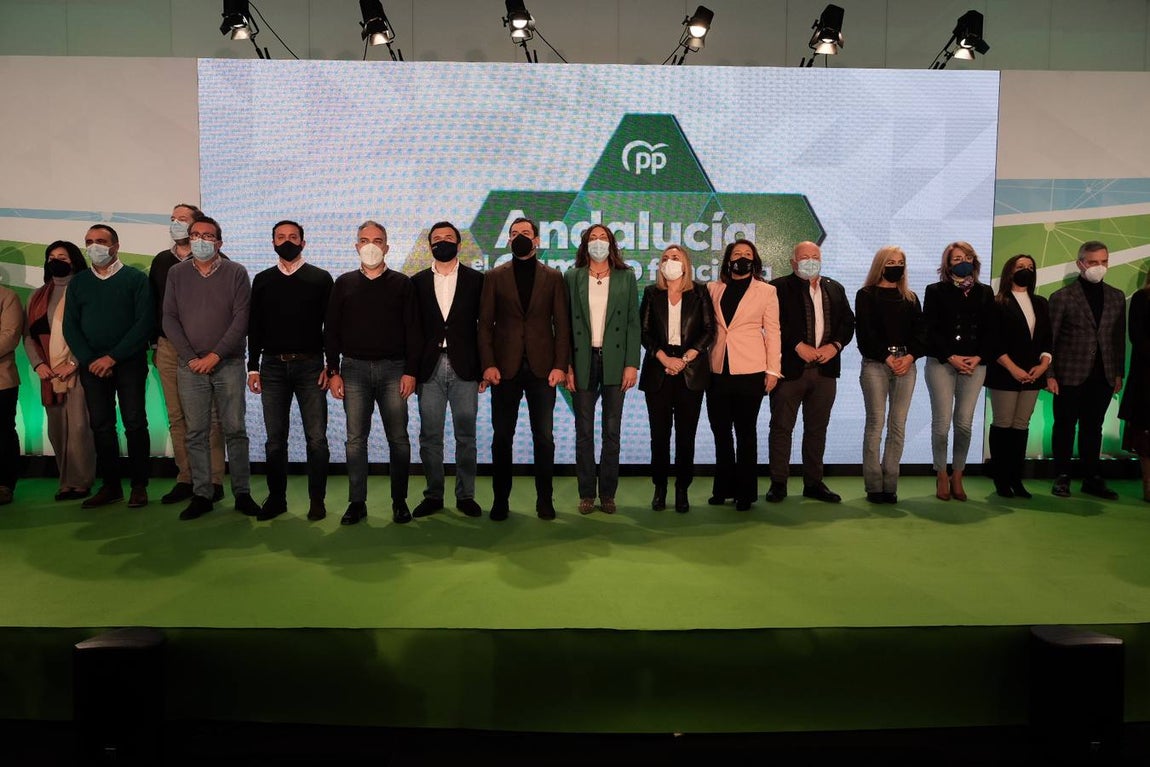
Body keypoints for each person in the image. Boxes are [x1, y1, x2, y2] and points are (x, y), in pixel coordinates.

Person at [163, 216, 261, 520]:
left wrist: (214, 356)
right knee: (196, 432)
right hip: (189, 365)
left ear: (219, 242)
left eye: (208, 236)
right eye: (195, 235)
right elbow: (169, 318)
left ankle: (242, 493)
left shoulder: (236, 272)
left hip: (228, 363)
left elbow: (241, 318)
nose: (201, 240)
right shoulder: (176, 273)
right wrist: (191, 357)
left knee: (235, 430)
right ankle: (202, 493)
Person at [326, 220, 422, 526]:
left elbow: (413, 331)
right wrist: (333, 371)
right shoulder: (343, 283)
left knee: (399, 439)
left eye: (377, 240)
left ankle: (400, 502)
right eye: (365, 240)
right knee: (355, 440)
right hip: (352, 369)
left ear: (387, 247)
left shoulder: (402, 284)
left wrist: (411, 371)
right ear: (356, 247)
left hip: (395, 370)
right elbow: (331, 331)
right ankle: (357, 502)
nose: (371, 246)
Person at [478, 216, 570, 521]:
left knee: (544, 437)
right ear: (508, 240)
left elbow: (562, 325)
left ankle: (545, 500)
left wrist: (560, 365)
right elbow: (484, 326)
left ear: (537, 240)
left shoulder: (554, 277)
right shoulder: (494, 276)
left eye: (526, 233)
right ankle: (500, 501)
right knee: (501, 436)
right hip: (504, 370)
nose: (520, 237)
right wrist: (488, 364)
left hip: (544, 370)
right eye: (514, 233)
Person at [247, 220, 333, 521]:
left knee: (317, 439)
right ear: (272, 243)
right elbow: (254, 326)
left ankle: (317, 500)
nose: (287, 241)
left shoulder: (320, 279)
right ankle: (277, 498)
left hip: (311, 366)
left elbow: (331, 327)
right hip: (270, 367)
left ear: (303, 243)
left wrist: (331, 365)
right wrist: (252, 367)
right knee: (274, 440)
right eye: (281, 237)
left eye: (293, 237)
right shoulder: (262, 279)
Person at [63, 224, 153, 508]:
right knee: (101, 426)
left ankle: (139, 486)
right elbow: (71, 326)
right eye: (89, 242)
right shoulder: (79, 282)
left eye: (100, 241)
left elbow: (144, 323)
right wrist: (90, 360)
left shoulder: (136, 279)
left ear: (115, 246)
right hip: (92, 367)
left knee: (135, 423)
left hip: (129, 363)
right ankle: (111, 485)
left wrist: (113, 357)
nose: (94, 247)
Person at [766, 240, 855, 504]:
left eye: (814, 255)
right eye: (804, 256)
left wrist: (835, 346)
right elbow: (772, 324)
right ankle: (778, 483)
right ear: (793, 262)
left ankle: (813, 483)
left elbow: (847, 323)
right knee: (781, 428)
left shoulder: (834, 288)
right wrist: (796, 345)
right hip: (790, 371)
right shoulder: (777, 288)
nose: (810, 260)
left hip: (825, 371)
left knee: (817, 429)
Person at [150, 203, 226, 505]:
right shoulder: (161, 262)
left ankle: (214, 478)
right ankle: (186, 477)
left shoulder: (224, 264)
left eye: (183, 220)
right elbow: (155, 306)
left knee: (211, 417)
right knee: (177, 416)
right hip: (170, 348)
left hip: (208, 351)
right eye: (173, 220)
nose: (177, 225)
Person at [411, 221, 485, 519]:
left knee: (466, 435)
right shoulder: (415, 282)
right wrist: (411, 370)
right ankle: (433, 495)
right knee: (430, 436)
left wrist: (482, 369)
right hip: (429, 368)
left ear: (459, 244)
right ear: (430, 245)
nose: (443, 242)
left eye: (448, 238)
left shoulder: (477, 280)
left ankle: (465, 495)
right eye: (437, 239)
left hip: (465, 367)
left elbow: (484, 330)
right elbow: (412, 331)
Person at [564, 225, 641, 515]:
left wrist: (632, 363)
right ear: (585, 244)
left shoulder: (626, 276)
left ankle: (607, 493)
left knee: (612, 431)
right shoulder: (572, 276)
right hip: (582, 361)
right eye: (593, 238)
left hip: (615, 361)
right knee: (583, 431)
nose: (598, 243)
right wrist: (566, 365)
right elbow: (564, 325)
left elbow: (633, 323)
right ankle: (586, 493)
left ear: (611, 244)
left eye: (603, 238)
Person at [706, 239, 781, 511]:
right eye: (737, 254)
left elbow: (773, 332)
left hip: (751, 370)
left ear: (755, 261)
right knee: (721, 432)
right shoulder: (712, 289)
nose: (742, 258)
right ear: (728, 260)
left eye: (747, 254)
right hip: (716, 370)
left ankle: (746, 493)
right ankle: (723, 488)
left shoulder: (766, 291)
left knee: (746, 432)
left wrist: (773, 370)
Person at [639, 245, 715, 513]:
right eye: (665, 258)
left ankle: (682, 489)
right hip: (658, 369)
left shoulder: (700, 292)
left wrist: (685, 359)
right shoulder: (651, 293)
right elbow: (644, 332)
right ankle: (660, 489)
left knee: (686, 436)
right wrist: (664, 358)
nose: (669, 262)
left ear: (686, 264)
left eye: (675, 258)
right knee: (659, 436)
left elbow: (709, 330)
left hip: (690, 372)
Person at [1047, 240, 1126, 499]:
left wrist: (1117, 373)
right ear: (1081, 263)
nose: (1099, 266)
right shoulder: (1061, 297)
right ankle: (1062, 476)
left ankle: (1092, 477)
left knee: (1094, 427)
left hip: (1103, 375)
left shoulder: (1116, 297)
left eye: (1103, 261)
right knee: (1065, 425)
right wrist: (1050, 375)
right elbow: (1051, 339)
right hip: (1069, 373)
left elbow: (1117, 338)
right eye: (1093, 262)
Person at [23, 241, 96, 501]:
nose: (56, 260)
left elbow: (91, 331)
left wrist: (74, 363)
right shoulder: (37, 295)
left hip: (79, 370)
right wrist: (39, 365)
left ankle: (81, 481)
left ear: (74, 261)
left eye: (62, 256)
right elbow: (28, 336)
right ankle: (65, 482)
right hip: (49, 374)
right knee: (57, 430)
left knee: (79, 427)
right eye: (51, 256)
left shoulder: (86, 290)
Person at [922, 241, 994, 501]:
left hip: (976, 364)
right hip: (942, 363)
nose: (961, 261)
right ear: (947, 264)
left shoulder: (986, 292)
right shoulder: (935, 290)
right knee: (941, 425)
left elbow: (991, 331)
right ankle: (941, 474)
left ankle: (958, 474)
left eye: (966, 257)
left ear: (974, 261)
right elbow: (928, 330)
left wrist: (978, 357)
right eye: (955, 259)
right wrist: (951, 357)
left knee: (963, 423)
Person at [854, 246, 926, 504]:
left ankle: (890, 484)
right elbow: (865, 335)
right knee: (876, 423)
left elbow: (921, 334)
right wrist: (888, 358)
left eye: (900, 262)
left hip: (907, 365)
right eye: (891, 261)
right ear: (880, 265)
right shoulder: (865, 295)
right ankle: (874, 485)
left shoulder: (910, 298)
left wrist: (908, 358)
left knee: (898, 425)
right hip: (875, 365)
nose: (896, 266)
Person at [984, 254, 1051, 499]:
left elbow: (1047, 339)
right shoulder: (997, 302)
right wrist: (1013, 368)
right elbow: (993, 342)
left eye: (1030, 267)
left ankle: (1016, 478)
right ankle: (1001, 479)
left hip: (1034, 374)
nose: (1026, 270)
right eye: (1021, 266)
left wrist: (1044, 364)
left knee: (1022, 426)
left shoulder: (1041, 303)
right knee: (1003, 423)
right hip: (1004, 372)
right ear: (1009, 271)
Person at [1120, 268, 1150, 501]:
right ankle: (1148, 488)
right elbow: (1137, 337)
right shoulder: (1142, 297)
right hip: (1147, 378)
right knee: (1146, 435)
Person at [0, 281, 22, 506]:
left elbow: (10, 335)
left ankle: (5, 484)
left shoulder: (7, 296)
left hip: (1, 380)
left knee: (3, 432)